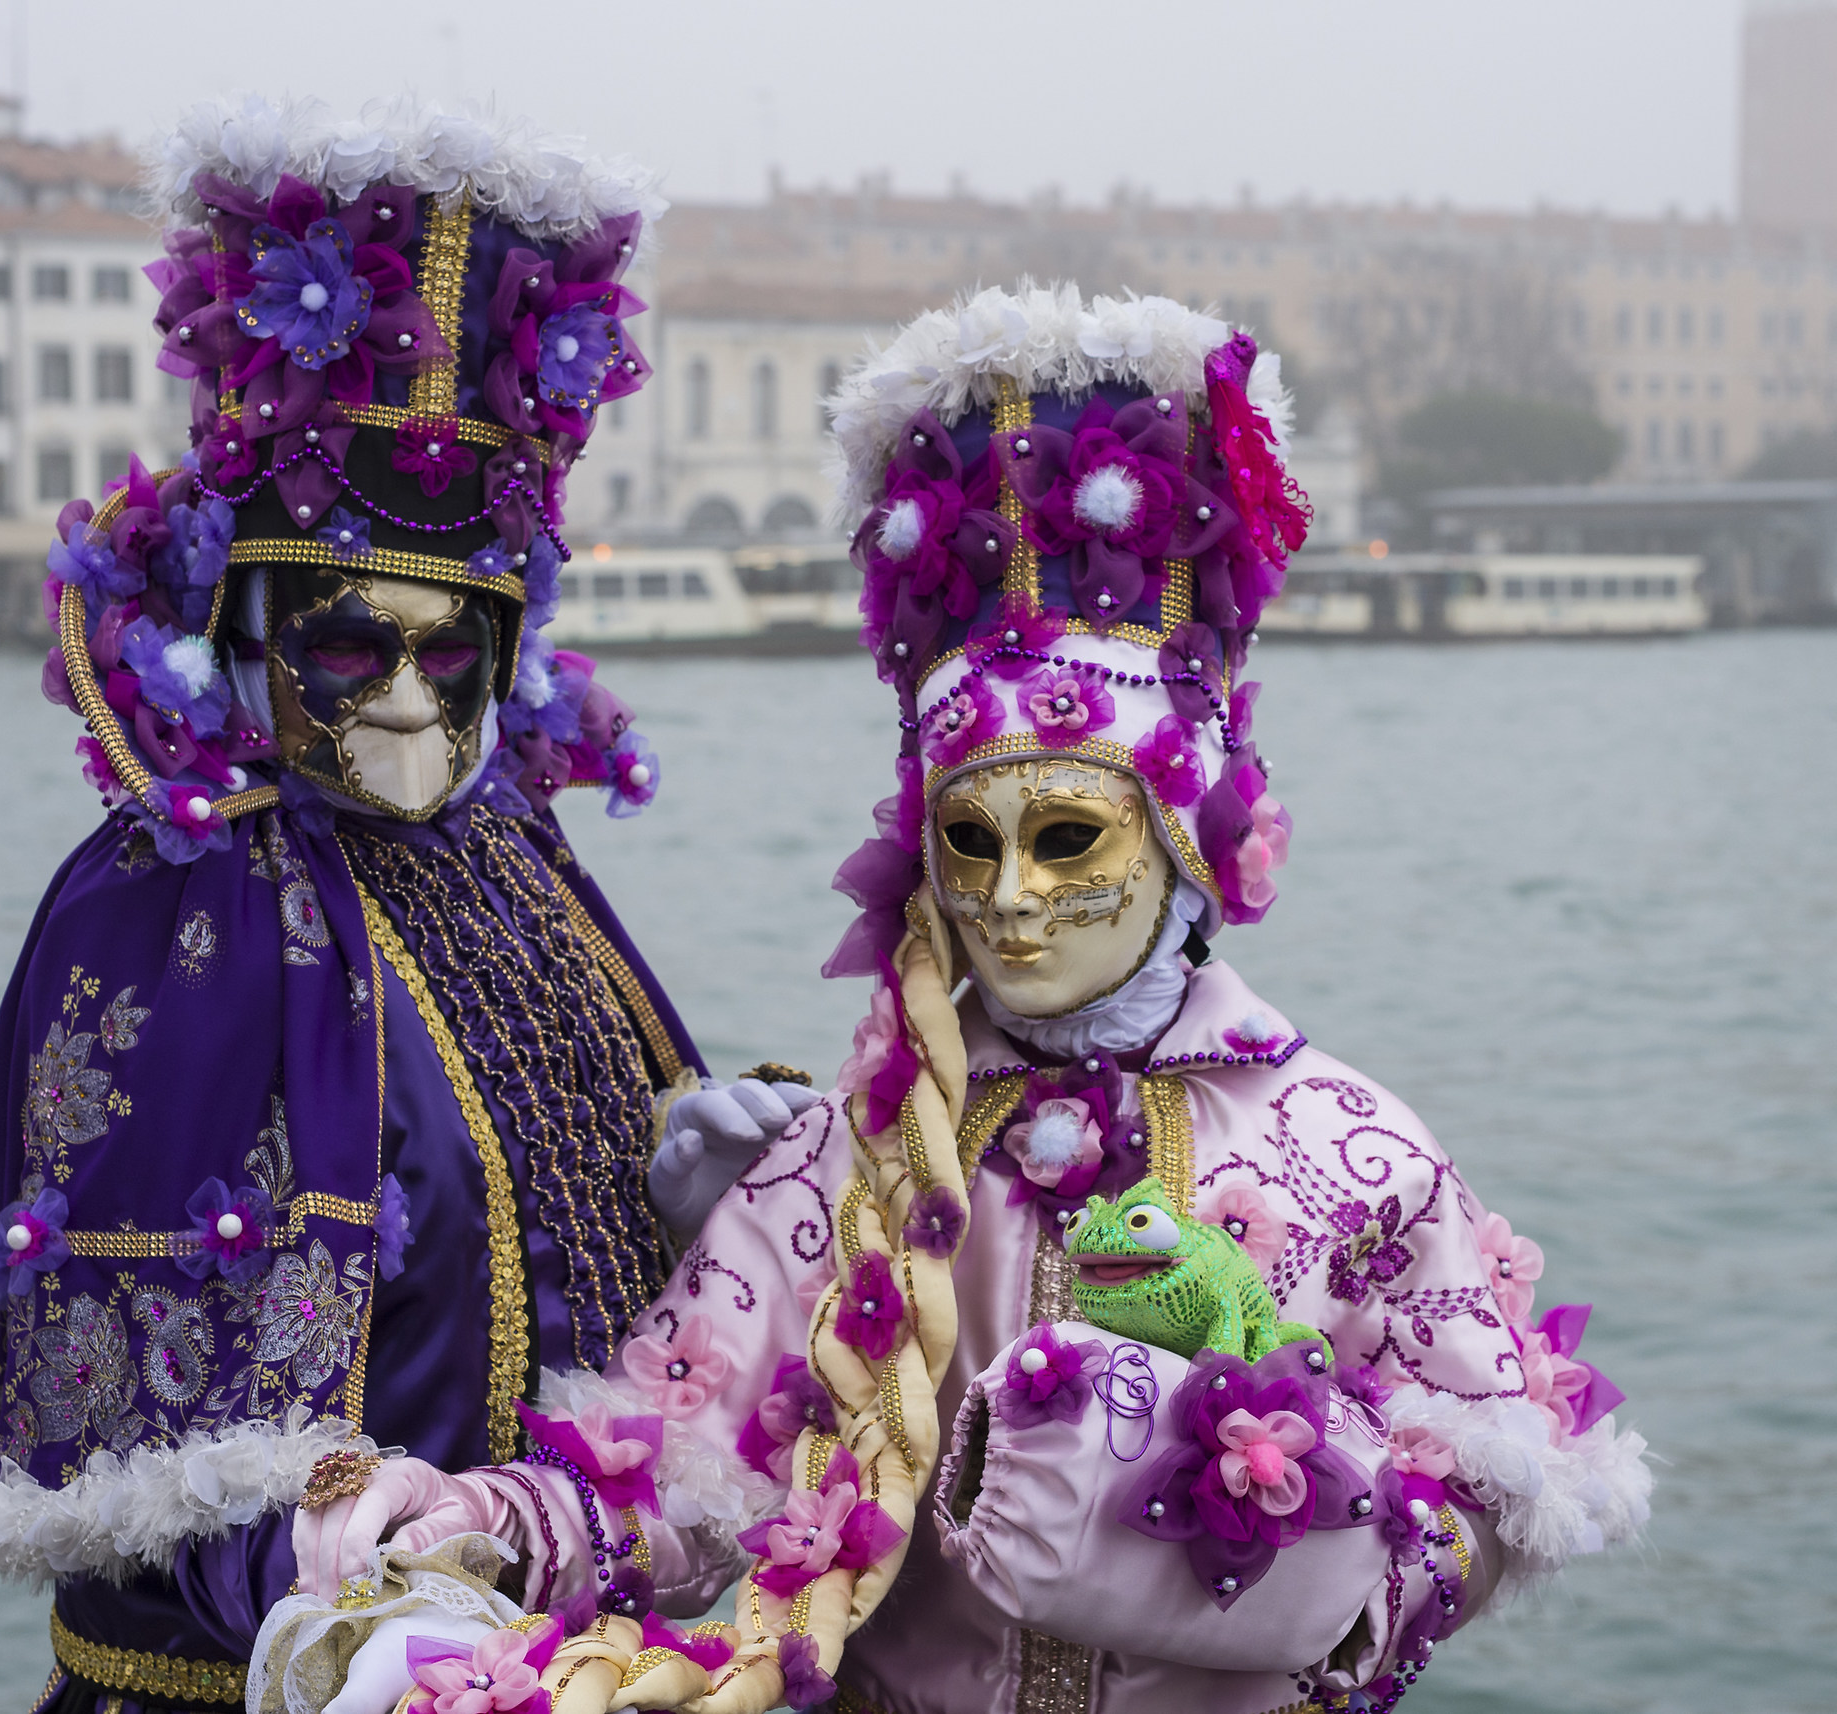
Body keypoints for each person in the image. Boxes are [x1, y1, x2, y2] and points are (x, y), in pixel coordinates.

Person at [280, 285, 1652, 1714]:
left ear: (1185, 843)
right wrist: (486, 1521)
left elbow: (1489, 1490)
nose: (1010, 896)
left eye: (1069, 837)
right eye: (969, 842)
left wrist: (1305, 1525)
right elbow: (673, 1461)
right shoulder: (849, 1166)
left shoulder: (1349, 1151)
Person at [0, 96, 811, 1712]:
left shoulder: (513, 857)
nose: (409, 697)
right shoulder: (177, 907)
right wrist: (346, 1583)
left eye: (452, 647)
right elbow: (123, 1454)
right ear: (248, 629)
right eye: (349, 642)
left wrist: (709, 1202)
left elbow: (557, 1260)